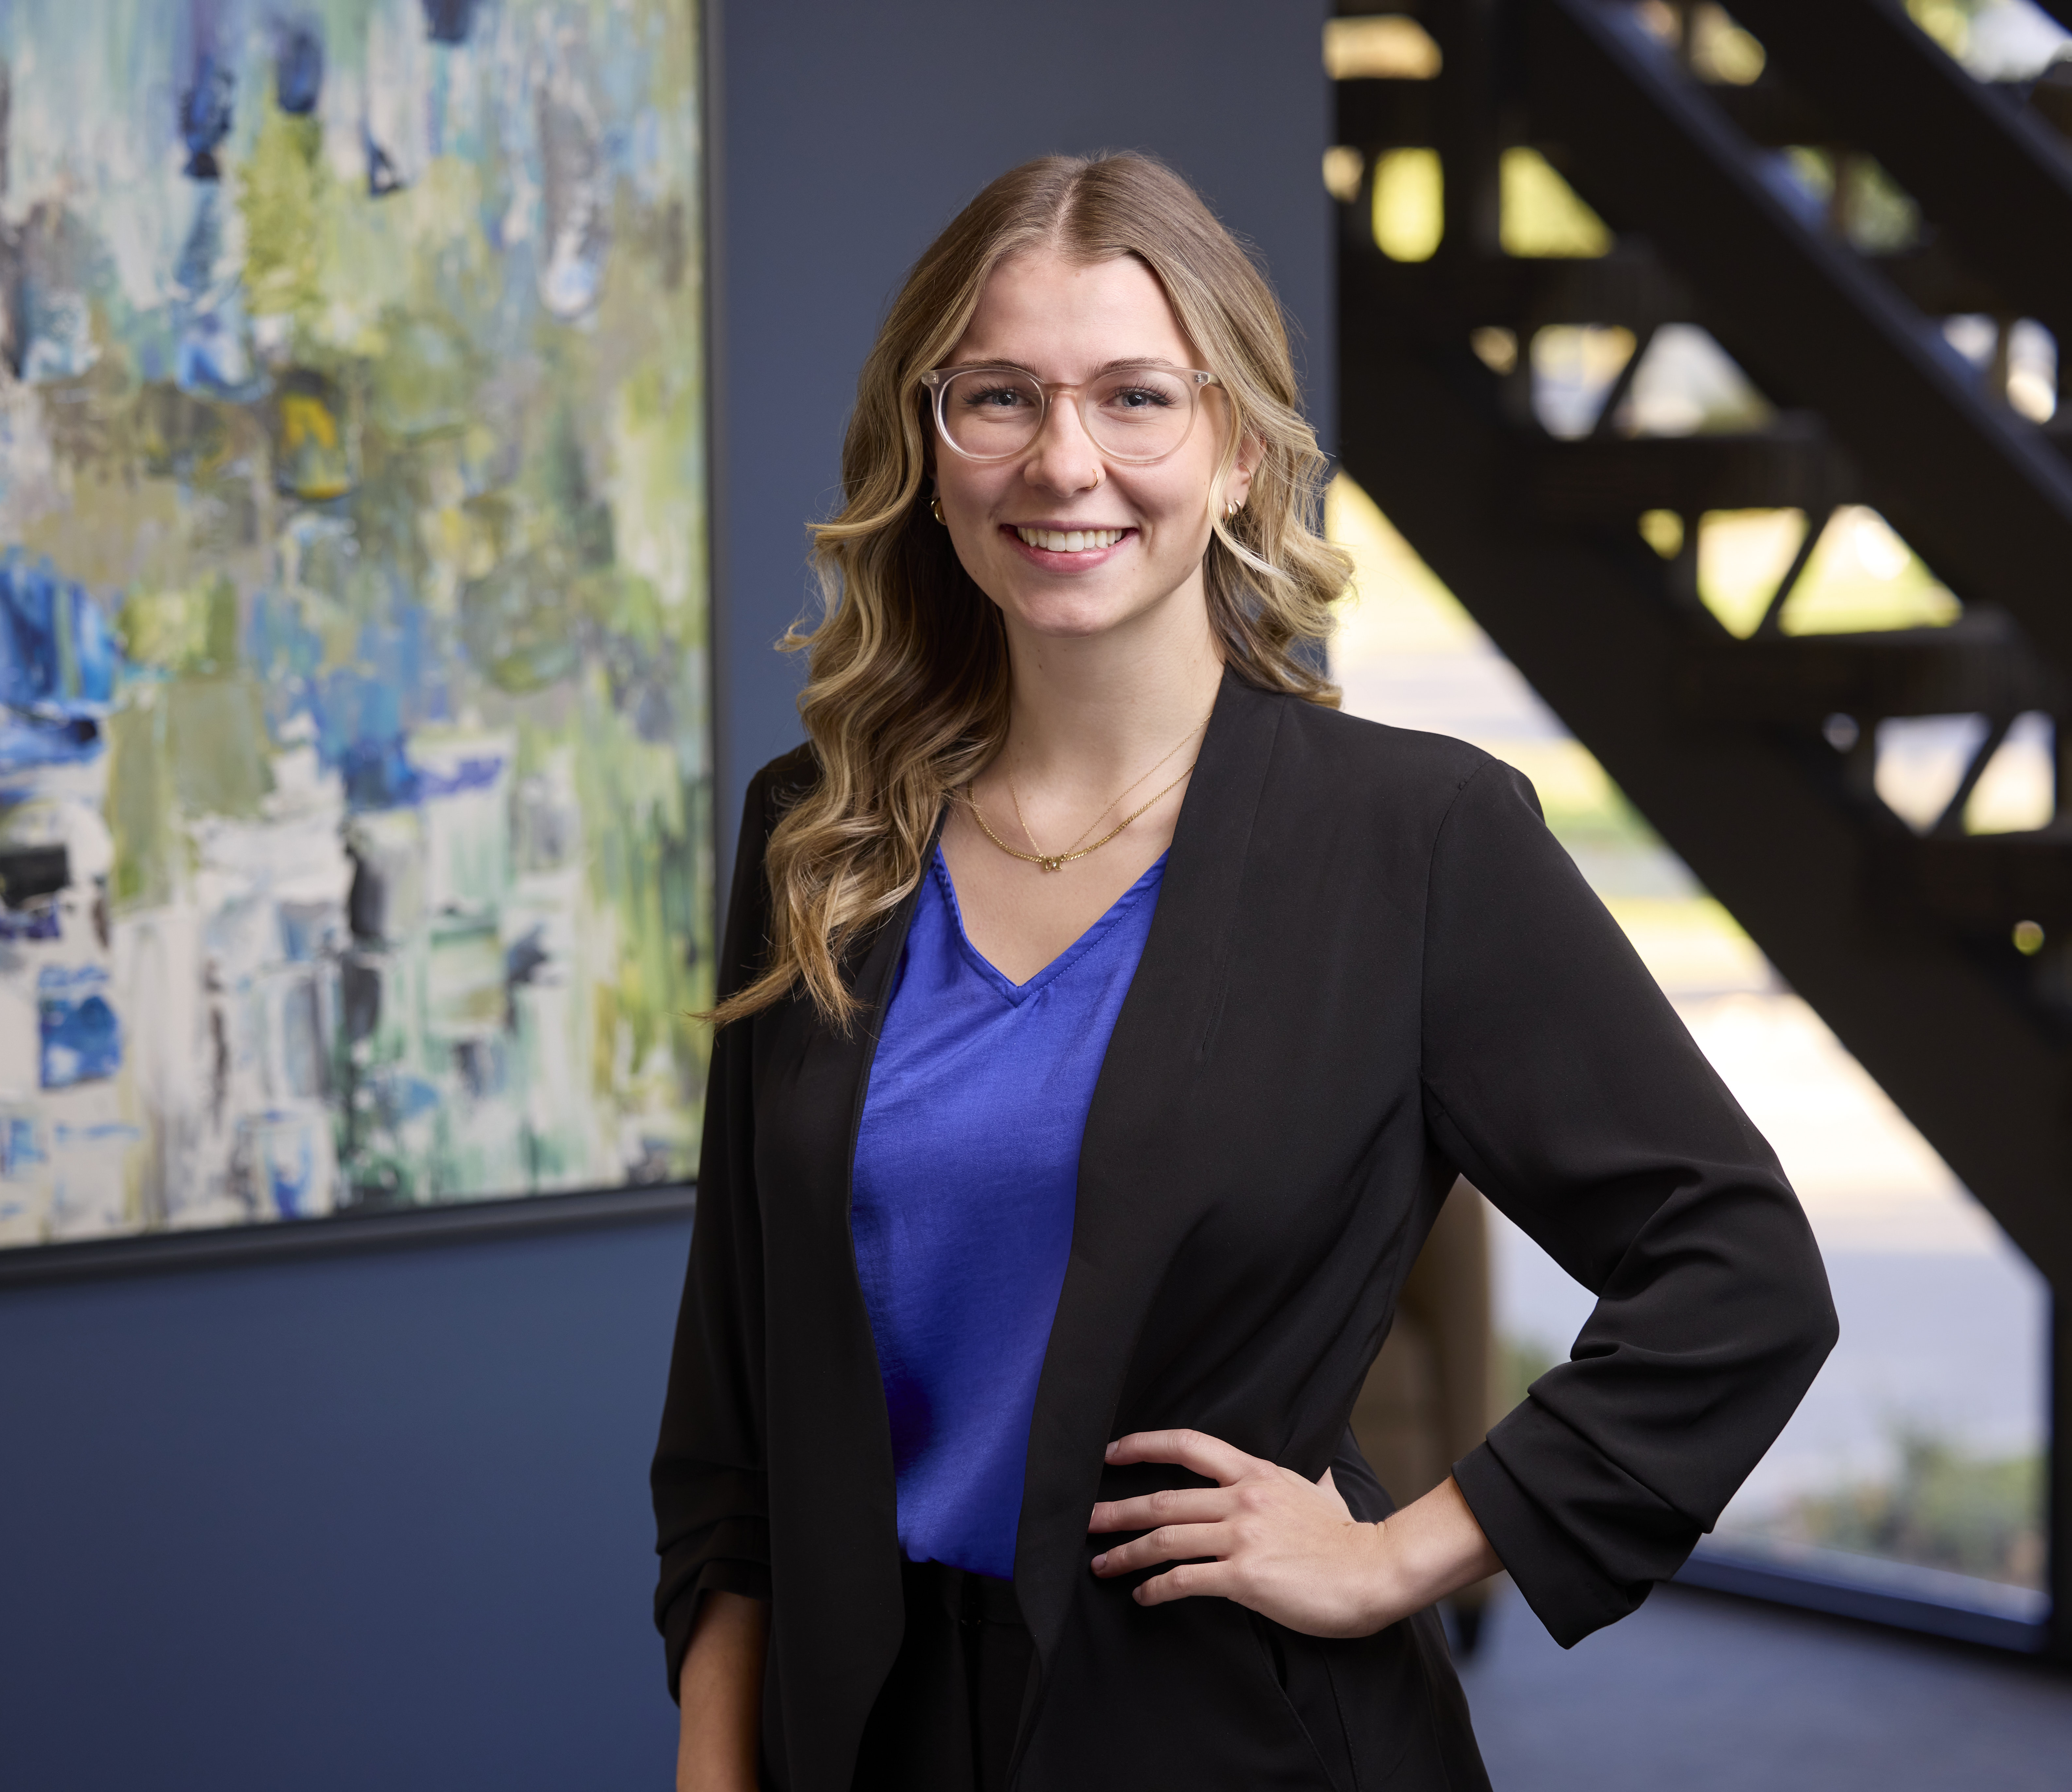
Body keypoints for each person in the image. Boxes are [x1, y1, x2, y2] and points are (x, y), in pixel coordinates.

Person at [652, 151, 1836, 1792]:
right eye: (996, 395)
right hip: (868, 1738)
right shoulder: (820, 833)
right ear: (926, 449)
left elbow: (1738, 1268)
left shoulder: (1412, 840)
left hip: (1237, 1738)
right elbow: (732, 1409)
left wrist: (1397, 1552)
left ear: (1234, 452)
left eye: (1136, 396)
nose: (1063, 461)